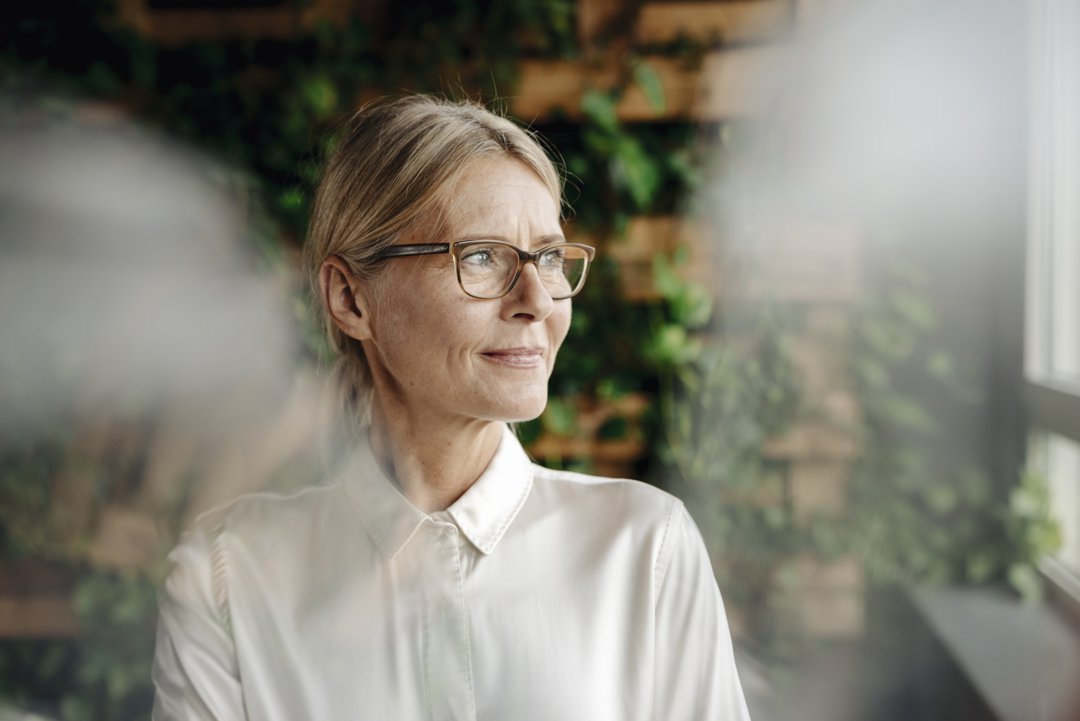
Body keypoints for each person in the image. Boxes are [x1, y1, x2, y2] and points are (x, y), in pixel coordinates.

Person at [151, 95, 751, 721]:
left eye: (547, 258)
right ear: (351, 297)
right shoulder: (226, 576)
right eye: (482, 256)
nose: (537, 301)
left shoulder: (645, 548)